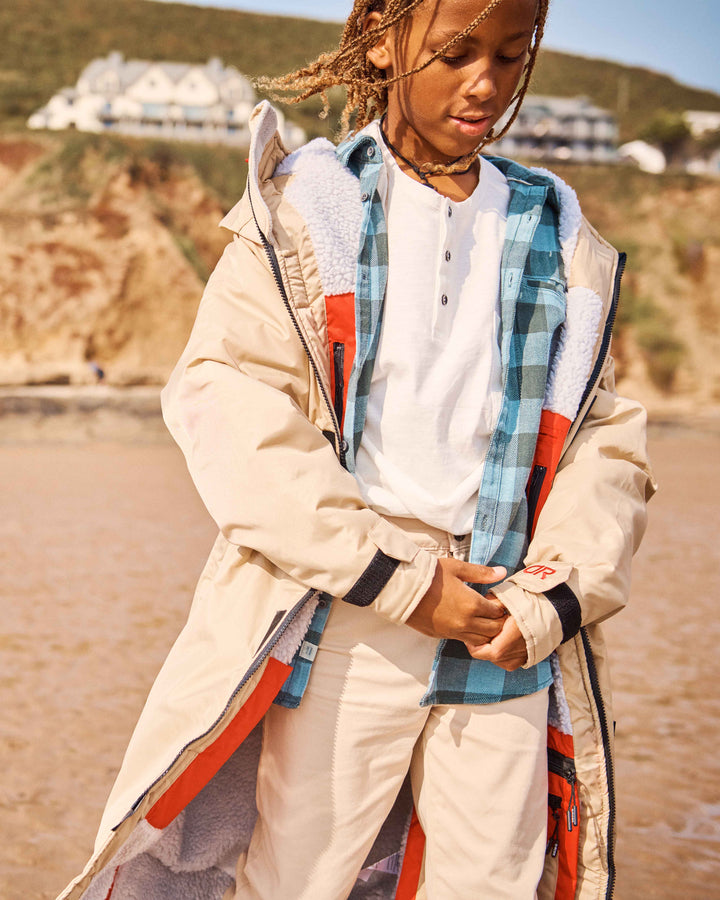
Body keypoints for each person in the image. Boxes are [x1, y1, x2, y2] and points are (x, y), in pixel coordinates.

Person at [56, 1, 655, 899]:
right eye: (455, 52)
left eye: (510, 52)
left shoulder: (556, 230)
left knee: (494, 883)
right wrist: (404, 584)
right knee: (300, 875)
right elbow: (226, 399)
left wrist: (556, 596)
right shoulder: (307, 208)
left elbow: (603, 436)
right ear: (381, 38)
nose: (486, 82)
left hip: (506, 625)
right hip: (356, 612)